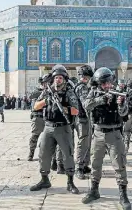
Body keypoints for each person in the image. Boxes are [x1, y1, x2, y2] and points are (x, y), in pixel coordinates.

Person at [82, 67, 131, 210]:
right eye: (104, 84)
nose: (107, 86)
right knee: (95, 164)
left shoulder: (118, 94)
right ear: (98, 84)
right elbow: (86, 105)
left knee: (119, 165)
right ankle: (94, 190)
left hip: (114, 133)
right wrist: (101, 99)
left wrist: (121, 104)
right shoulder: (94, 93)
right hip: (98, 133)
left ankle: (123, 195)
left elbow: (124, 113)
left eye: (109, 82)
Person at [30, 65, 79, 194]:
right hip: (48, 127)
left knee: (68, 155)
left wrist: (65, 108)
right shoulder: (47, 91)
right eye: (56, 78)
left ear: (64, 79)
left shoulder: (69, 92)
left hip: (63, 127)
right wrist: (47, 101)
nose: (58, 80)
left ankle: (70, 182)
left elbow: (76, 110)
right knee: (44, 154)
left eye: (60, 78)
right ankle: (44, 179)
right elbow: (35, 106)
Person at [73, 65, 94, 180]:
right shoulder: (82, 87)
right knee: (83, 142)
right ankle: (79, 167)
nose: (86, 78)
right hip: (82, 119)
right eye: (85, 76)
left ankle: (85, 165)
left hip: (83, 118)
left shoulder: (82, 86)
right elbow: (86, 104)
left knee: (87, 142)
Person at [28, 74, 50, 161]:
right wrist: (43, 92)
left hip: (48, 118)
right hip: (38, 118)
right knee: (35, 136)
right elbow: (31, 97)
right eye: (46, 83)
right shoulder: (37, 92)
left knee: (47, 139)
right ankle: (31, 153)